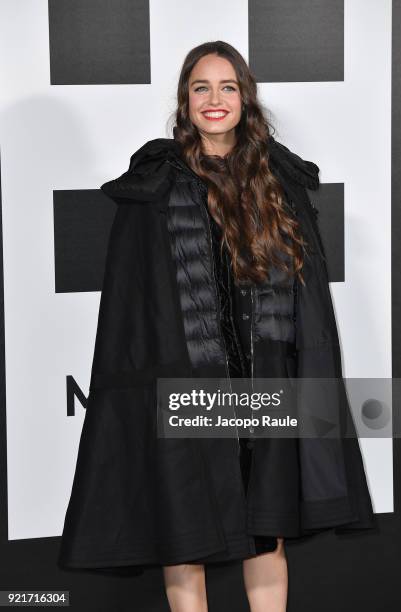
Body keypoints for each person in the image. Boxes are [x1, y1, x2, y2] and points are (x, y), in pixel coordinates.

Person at [58, 41, 378, 612]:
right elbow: (135, 312)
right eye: (200, 87)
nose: (214, 99)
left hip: (265, 380)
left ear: (245, 99)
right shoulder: (154, 185)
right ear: (184, 100)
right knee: (186, 539)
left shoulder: (278, 180)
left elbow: (310, 307)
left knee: (266, 533)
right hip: (188, 383)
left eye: (227, 87)